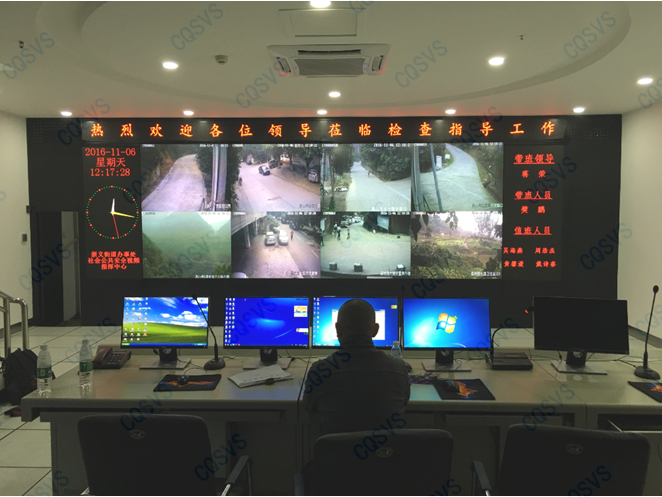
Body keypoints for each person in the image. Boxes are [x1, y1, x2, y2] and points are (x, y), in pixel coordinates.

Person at [302, 299, 410, 435]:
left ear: (337, 329)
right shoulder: (399, 369)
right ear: (375, 330)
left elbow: (308, 407)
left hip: (337, 449)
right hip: (385, 448)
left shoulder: (319, 371)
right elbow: (404, 402)